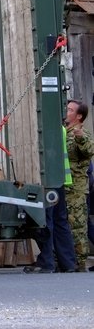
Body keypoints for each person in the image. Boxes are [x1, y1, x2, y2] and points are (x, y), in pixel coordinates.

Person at [24, 110, 77, 273]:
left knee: (46, 220)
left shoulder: (49, 128)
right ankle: (68, 262)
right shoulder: (60, 128)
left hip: (49, 181)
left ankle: (46, 261)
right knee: (60, 221)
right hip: (60, 180)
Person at [63, 99, 94, 270]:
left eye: (69, 110)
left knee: (78, 227)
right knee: (65, 225)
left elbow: (89, 150)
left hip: (76, 189)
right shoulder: (64, 132)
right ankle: (65, 260)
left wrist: (81, 139)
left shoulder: (81, 133)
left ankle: (80, 263)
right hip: (64, 187)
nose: (66, 112)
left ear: (79, 115)